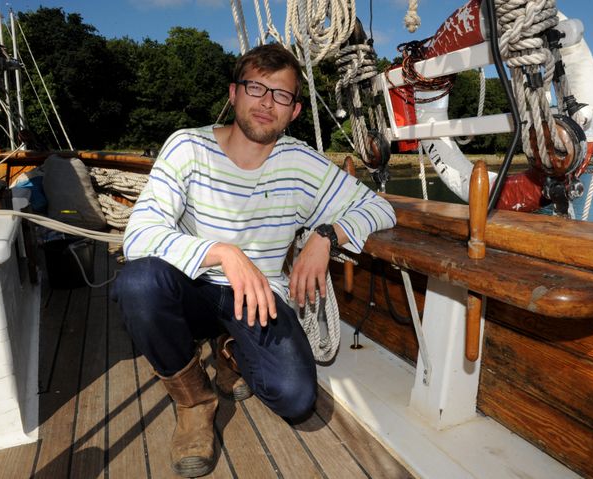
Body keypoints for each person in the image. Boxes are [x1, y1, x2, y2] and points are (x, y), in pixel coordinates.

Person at [112, 43, 396, 478]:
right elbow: (139, 236)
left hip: (259, 297)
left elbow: (380, 208)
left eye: (281, 95)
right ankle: (194, 403)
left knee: (296, 399)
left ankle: (230, 347)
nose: (267, 103)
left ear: (295, 111)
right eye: (256, 88)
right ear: (233, 93)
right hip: (190, 289)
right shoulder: (187, 147)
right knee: (137, 283)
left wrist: (326, 236)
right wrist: (223, 253)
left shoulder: (301, 164)